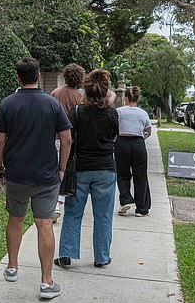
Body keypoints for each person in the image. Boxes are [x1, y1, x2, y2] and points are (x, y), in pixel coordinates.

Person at [0, 57, 72, 300]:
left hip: (16, 173)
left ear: (18, 78)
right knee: (44, 224)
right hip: (46, 175)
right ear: (38, 76)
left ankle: (12, 267)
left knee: (15, 218)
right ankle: (46, 283)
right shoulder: (52, 104)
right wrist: (61, 169)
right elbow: (66, 139)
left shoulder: (7, 104)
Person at [55, 69, 119, 270]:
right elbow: (114, 138)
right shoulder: (112, 113)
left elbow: (69, 139)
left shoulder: (76, 112)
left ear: (86, 89)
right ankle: (102, 256)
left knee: (73, 212)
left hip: (80, 168)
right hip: (106, 168)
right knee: (103, 215)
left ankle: (66, 254)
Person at [50, 64, 85, 223]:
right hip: (75, 139)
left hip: (57, 137)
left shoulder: (55, 93)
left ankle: (55, 203)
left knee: (57, 170)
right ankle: (67, 199)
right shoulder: (81, 96)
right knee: (69, 171)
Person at [115, 86, 152, 217]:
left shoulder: (118, 111)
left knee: (122, 173)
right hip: (138, 144)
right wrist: (141, 137)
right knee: (140, 175)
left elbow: (113, 127)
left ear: (125, 98)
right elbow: (148, 131)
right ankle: (142, 208)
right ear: (138, 98)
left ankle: (125, 199)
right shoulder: (143, 113)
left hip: (122, 142)